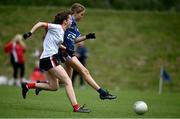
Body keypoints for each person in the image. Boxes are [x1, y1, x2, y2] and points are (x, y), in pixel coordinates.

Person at [36, 3, 116, 100]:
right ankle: (102, 92)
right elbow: (54, 30)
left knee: (66, 79)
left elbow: (73, 40)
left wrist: (86, 37)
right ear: (75, 13)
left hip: (68, 51)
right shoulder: (67, 21)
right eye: (81, 14)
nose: (82, 17)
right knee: (84, 71)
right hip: (65, 53)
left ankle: (41, 85)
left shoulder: (74, 25)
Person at [22, 10, 90, 113]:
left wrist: (65, 49)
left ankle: (28, 85)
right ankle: (76, 107)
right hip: (49, 58)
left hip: (46, 59)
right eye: (70, 18)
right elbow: (41, 23)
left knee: (54, 86)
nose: (72, 20)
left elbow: (56, 44)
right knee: (68, 80)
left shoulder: (62, 31)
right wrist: (30, 33)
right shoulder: (57, 27)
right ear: (65, 21)